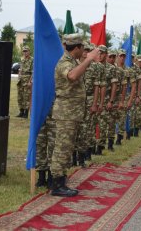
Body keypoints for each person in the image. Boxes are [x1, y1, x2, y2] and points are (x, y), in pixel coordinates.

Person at [50, 34, 99, 197]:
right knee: (62, 147)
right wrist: (88, 59)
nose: (84, 51)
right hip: (66, 113)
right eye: (83, 48)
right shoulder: (64, 62)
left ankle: (61, 180)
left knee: (68, 146)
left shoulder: (73, 62)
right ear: (76, 48)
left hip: (73, 113)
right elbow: (72, 76)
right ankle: (56, 184)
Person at [17, 45, 33, 118]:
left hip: (27, 78)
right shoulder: (22, 59)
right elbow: (20, 69)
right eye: (24, 51)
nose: (25, 52)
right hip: (21, 79)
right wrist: (19, 76)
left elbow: (33, 72)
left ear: (29, 51)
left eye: (26, 51)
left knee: (26, 96)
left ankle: (26, 113)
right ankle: (21, 111)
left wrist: (30, 81)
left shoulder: (32, 60)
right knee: (20, 95)